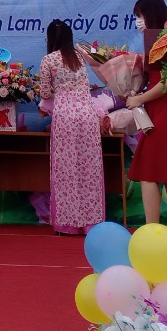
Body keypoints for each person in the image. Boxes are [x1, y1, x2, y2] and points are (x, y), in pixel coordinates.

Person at [125, 0, 167, 228]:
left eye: (140, 16)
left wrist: (140, 98)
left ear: (150, 15)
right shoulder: (155, 40)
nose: (138, 21)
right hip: (159, 107)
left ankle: (152, 229)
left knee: (149, 171)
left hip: (165, 108)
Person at [38, 20, 105, 235]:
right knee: (89, 169)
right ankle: (91, 222)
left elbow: (44, 93)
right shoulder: (80, 57)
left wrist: (58, 92)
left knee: (66, 169)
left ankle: (68, 224)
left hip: (65, 117)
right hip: (87, 115)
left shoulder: (48, 59)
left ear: (50, 38)